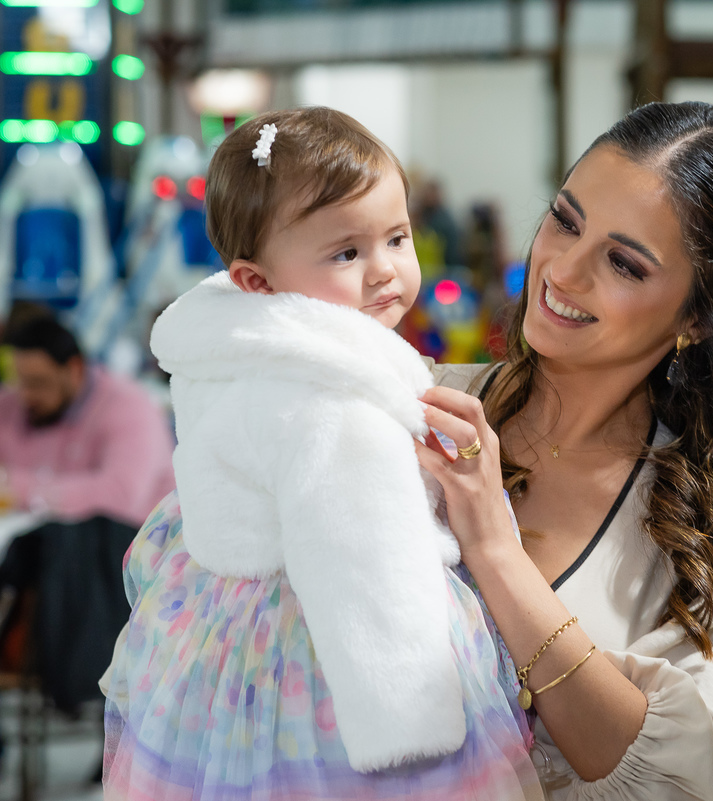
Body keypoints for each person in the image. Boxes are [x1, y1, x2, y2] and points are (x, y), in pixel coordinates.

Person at [101, 107, 541, 800]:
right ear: (255, 279)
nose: (385, 271)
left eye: (396, 237)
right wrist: (412, 735)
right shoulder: (335, 401)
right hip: (330, 669)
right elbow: (368, 572)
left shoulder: (229, 352)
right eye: (346, 253)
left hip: (222, 645)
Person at [415, 101, 713, 799]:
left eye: (623, 263)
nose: (562, 271)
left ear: (698, 316)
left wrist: (497, 554)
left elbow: (686, 786)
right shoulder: (416, 404)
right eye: (564, 219)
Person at [0, 315, 174, 527]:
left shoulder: (129, 407)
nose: (26, 395)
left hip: (129, 547)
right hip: (40, 538)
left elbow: (120, 496)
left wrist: (16, 488)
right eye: (21, 382)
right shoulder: (12, 404)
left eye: (39, 383)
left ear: (74, 370)